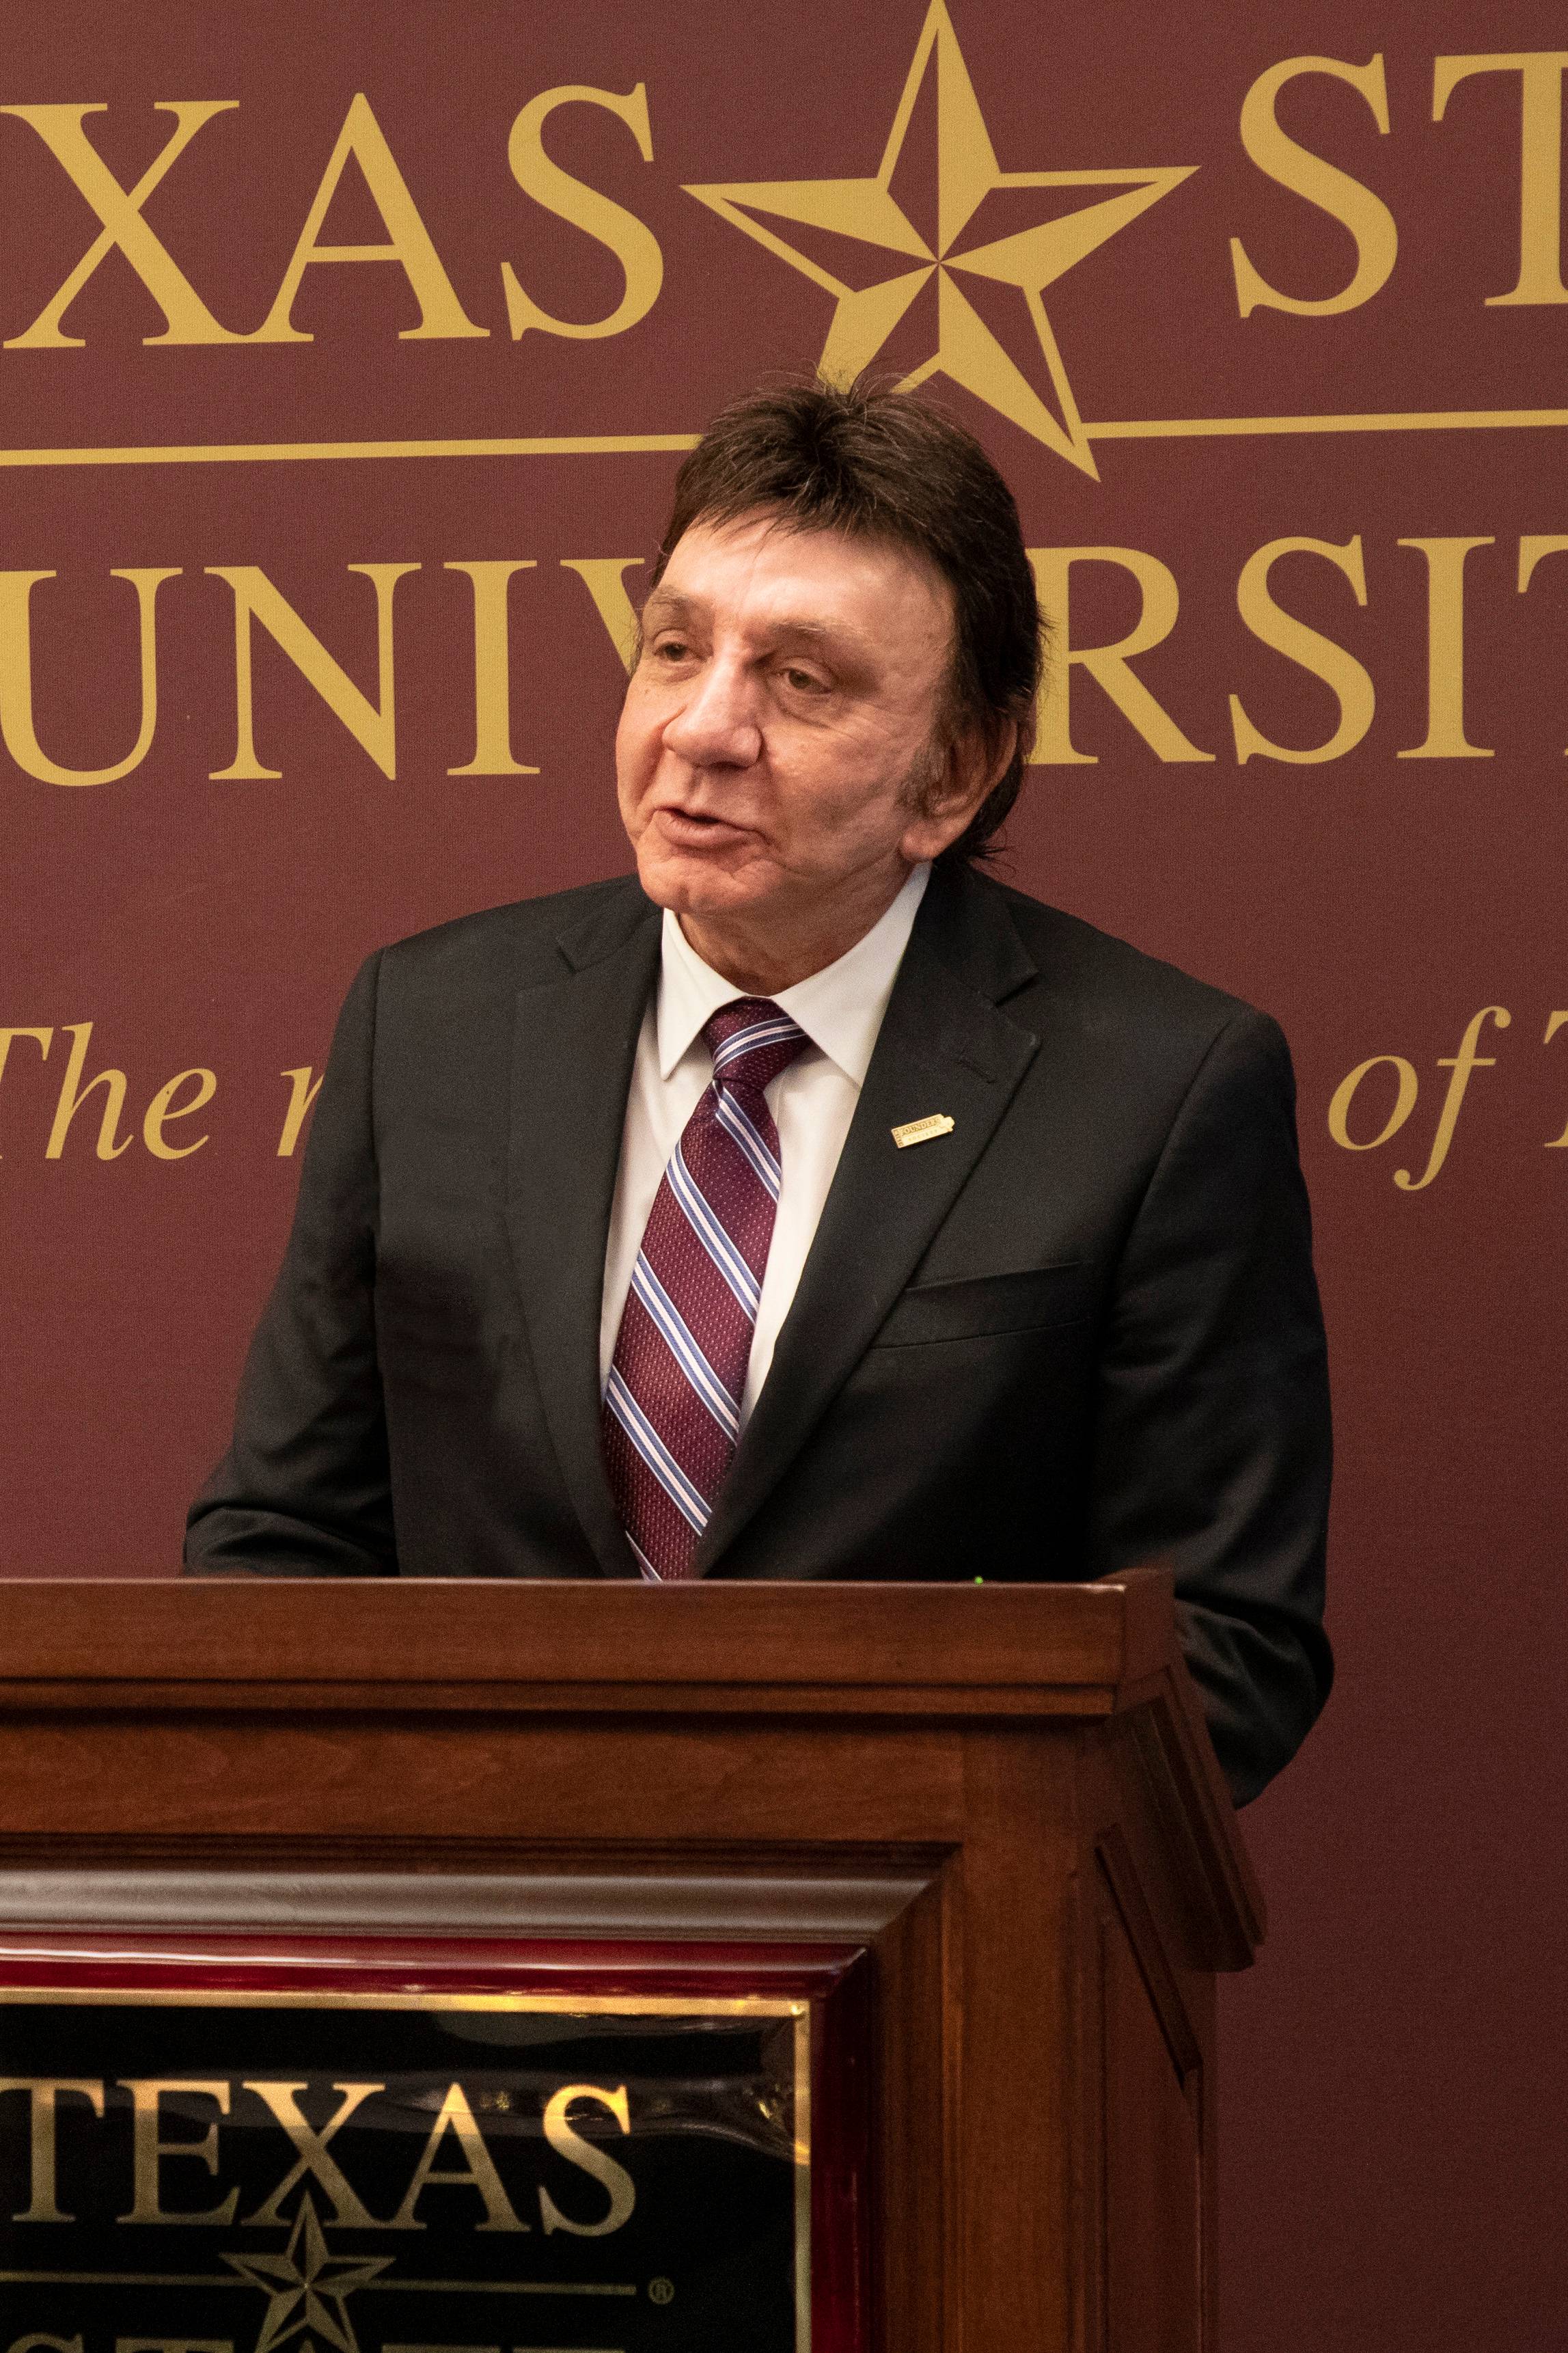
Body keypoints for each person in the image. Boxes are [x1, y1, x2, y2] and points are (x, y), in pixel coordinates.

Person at [186, 378, 1332, 1806]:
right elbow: (281, 1546)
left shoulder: (1154, 1089)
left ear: (954, 770)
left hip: (923, 1968)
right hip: (480, 1980)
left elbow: (1223, 1651)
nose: (703, 729)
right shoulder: (429, 1027)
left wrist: (796, 1829)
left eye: (801, 680)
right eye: (675, 649)